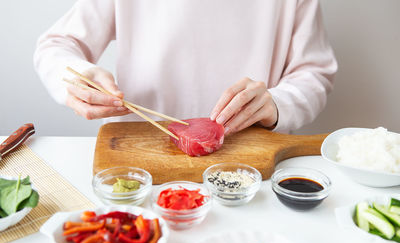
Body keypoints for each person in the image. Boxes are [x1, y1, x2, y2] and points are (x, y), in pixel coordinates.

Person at [34, 0, 337, 135]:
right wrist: (76, 78)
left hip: (251, 165)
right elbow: (57, 45)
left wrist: (278, 104)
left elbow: (314, 72)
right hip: (137, 163)